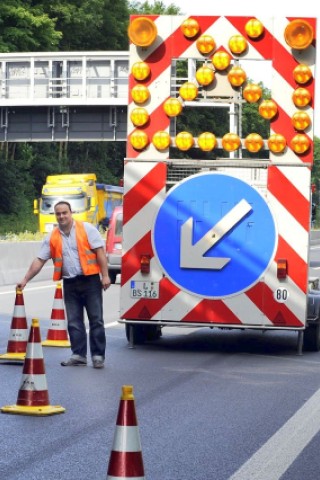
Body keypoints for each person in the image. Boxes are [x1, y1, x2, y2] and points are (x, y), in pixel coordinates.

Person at [17, 201, 111, 369]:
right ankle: (78, 355)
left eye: (64, 213)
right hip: (70, 282)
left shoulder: (87, 229)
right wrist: (25, 280)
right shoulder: (52, 237)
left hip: (90, 281)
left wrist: (105, 276)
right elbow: (39, 260)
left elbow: (100, 253)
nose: (61, 216)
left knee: (96, 319)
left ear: (71, 212)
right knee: (74, 321)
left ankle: (98, 356)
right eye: (58, 214)